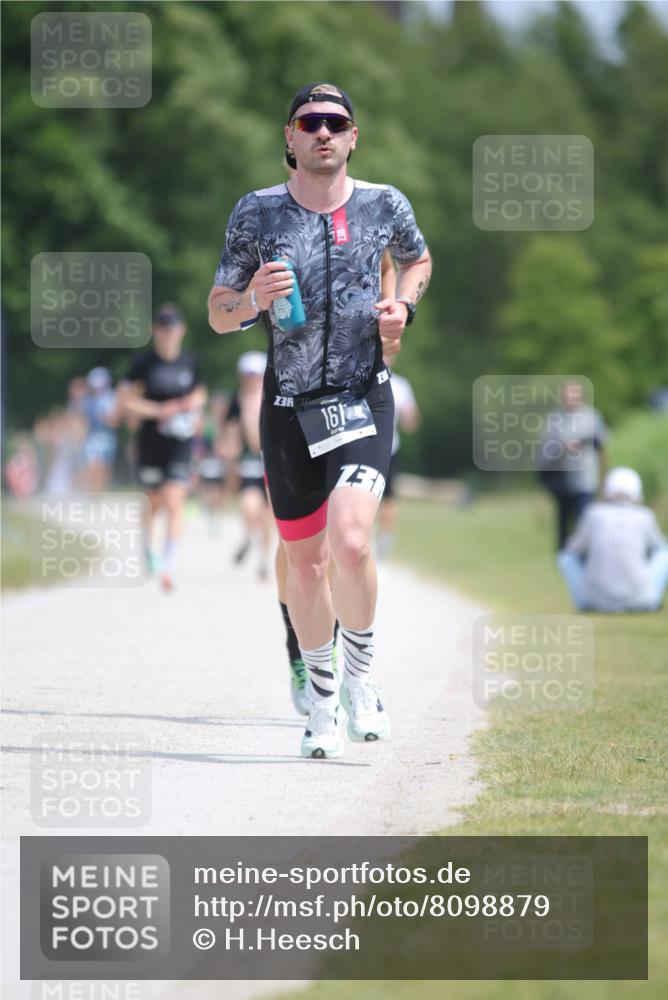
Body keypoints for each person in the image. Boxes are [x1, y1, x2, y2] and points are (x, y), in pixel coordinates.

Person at [209, 82, 432, 758]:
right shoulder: (257, 213)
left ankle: (363, 684)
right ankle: (323, 703)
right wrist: (248, 297)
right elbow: (218, 312)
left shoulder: (383, 205)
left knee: (353, 541)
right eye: (311, 122)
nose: (324, 132)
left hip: (363, 396)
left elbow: (417, 260)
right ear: (290, 137)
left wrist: (404, 308)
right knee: (304, 565)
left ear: (353, 136)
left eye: (336, 122)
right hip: (288, 409)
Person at [118, 304, 207, 592]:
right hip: (150, 442)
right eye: (163, 328)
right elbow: (126, 399)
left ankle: (168, 566)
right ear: (155, 331)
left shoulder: (190, 361)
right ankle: (147, 546)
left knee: (174, 501)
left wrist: (192, 406)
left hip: (179, 443)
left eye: (173, 328)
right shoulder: (143, 363)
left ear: (181, 331)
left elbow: (200, 393)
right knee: (153, 503)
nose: (168, 333)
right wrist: (159, 410)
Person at [558, 467, 668, 613]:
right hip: (642, 600)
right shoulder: (644, 516)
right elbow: (660, 546)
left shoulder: (594, 514)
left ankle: (584, 598)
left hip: (594, 601)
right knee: (664, 552)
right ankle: (652, 596)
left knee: (566, 557)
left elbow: (573, 549)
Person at [538, 378, 608, 550]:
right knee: (563, 526)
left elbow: (602, 449)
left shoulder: (592, 417)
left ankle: (586, 556)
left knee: (585, 522)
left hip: (586, 479)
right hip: (562, 482)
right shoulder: (555, 419)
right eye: (568, 395)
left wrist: (603, 477)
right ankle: (565, 559)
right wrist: (561, 449)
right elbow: (544, 452)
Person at [223, 351, 273, 580]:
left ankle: (263, 559)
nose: (251, 379)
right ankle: (249, 535)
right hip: (249, 461)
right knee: (249, 505)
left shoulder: (272, 397)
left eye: (255, 375)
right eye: (247, 375)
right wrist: (230, 455)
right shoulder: (237, 401)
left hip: (272, 460)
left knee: (268, 515)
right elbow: (230, 431)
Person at [377, 366, 421, 559]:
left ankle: (383, 546)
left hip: (389, 450)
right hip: (360, 448)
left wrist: (409, 416)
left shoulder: (400, 385)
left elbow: (411, 422)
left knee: (388, 500)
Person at [79, 367, 120, 491]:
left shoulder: (112, 397)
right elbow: (83, 419)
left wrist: (106, 419)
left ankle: (100, 490)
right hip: (92, 436)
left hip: (107, 436)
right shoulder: (88, 399)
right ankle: (92, 491)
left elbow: (115, 421)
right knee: (93, 465)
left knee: (105, 468)